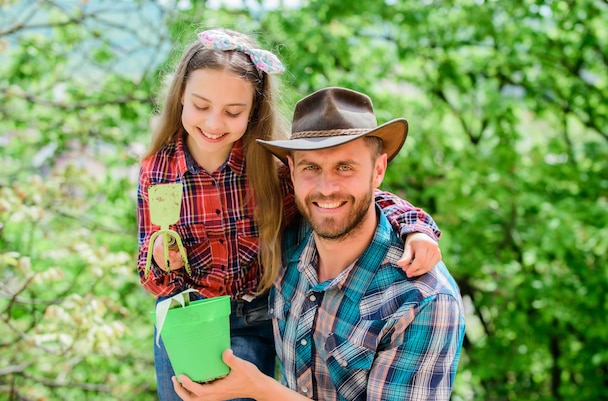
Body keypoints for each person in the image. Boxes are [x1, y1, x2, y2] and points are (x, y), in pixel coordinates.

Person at [137, 28, 443, 401]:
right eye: (201, 106)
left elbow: (361, 201)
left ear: (252, 113)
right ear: (181, 95)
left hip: (253, 316)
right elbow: (148, 266)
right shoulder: (158, 172)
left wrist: (417, 228)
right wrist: (159, 262)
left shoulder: (272, 173)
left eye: (233, 112)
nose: (214, 123)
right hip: (188, 315)